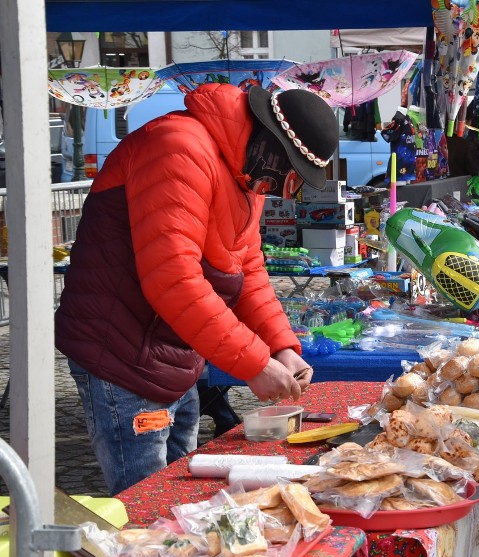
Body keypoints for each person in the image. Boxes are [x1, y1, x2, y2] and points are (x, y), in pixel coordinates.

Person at [55, 83, 339, 495]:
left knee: (181, 492)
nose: (284, 193)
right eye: (292, 177)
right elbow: (173, 279)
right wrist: (255, 363)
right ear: (271, 146)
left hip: (171, 354)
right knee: (146, 502)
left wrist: (281, 346)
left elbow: (248, 270)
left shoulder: (244, 173)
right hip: (121, 354)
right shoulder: (178, 147)